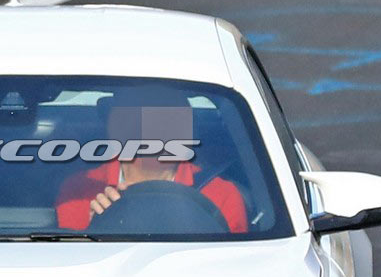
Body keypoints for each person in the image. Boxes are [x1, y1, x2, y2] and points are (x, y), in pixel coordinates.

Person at [55, 85, 247, 232]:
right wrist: (94, 230)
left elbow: (231, 270)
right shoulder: (80, 190)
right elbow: (73, 270)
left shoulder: (222, 195)